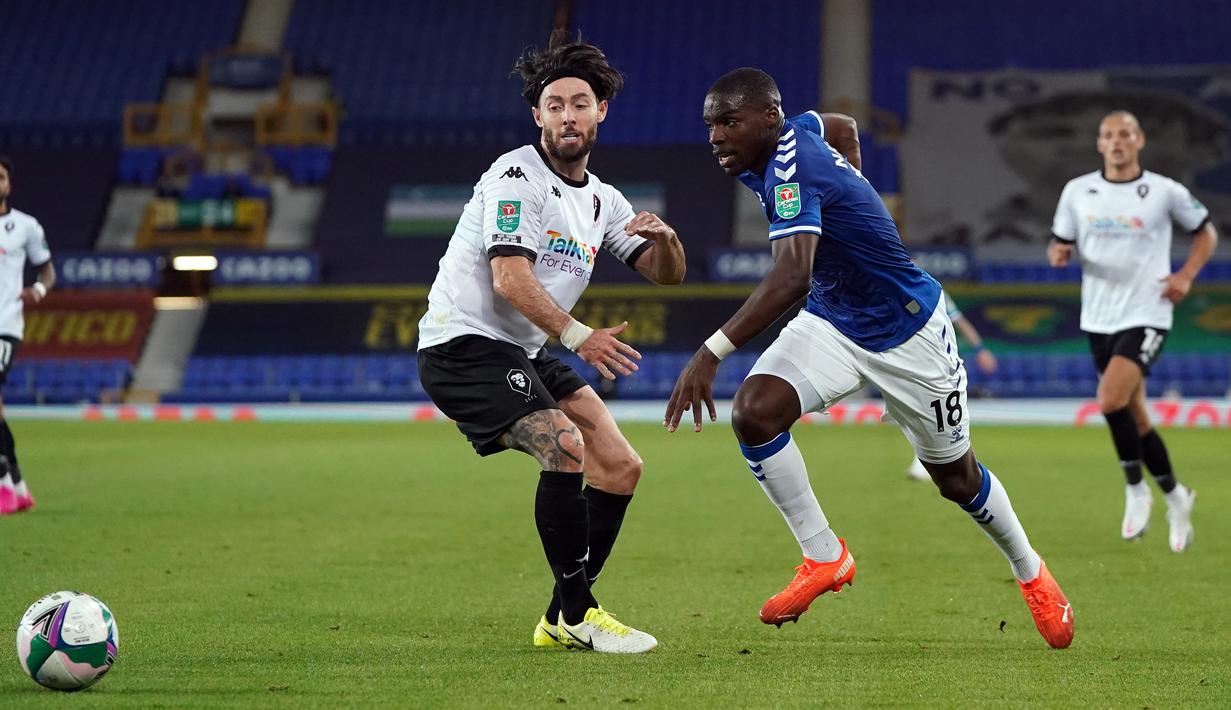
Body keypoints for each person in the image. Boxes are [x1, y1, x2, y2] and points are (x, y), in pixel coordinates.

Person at [664, 68, 1073, 649]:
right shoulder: (794, 132)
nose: (716, 137)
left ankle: (1031, 570)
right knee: (754, 412)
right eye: (711, 124)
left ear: (767, 119)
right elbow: (843, 124)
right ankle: (824, 556)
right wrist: (854, 178)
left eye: (729, 122)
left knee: (955, 480)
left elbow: (791, 277)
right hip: (835, 321)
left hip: (907, 330)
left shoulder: (790, 169)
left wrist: (710, 352)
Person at [416, 32, 685, 654]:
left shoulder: (603, 200)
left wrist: (667, 239)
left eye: (580, 103)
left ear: (601, 112)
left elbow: (665, 272)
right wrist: (580, 336)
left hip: (527, 351)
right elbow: (509, 278)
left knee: (620, 466)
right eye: (555, 105)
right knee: (564, 445)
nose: (568, 115)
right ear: (538, 116)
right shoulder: (516, 176)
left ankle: (558, 616)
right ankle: (580, 615)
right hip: (463, 345)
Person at [1047, 110, 1215, 553]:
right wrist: (1059, 252)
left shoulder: (1163, 192)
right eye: (1108, 135)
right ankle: (1178, 497)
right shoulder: (1077, 191)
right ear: (1099, 144)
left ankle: (1135, 489)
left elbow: (1206, 233)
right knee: (1136, 417)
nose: (1116, 141)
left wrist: (1186, 276)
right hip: (1098, 316)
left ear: (1139, 140)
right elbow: (1059, 240)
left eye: (1125, 134)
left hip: (1148, 312)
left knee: (1109, 399)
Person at [0, 156, 55, 515]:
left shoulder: (25, 227)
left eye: (0, 177)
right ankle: (18, 485)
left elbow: (48, 270)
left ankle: (5, 484)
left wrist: (38, 290)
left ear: (9, 184)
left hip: (4, 325)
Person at [906, 290, 998, 480]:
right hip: (909, 358)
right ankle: (931, 461)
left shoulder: (930, 289)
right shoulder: (889, 283)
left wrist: (980, 349)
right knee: (918, 412)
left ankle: (947, 461)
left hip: (936, 361)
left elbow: (960, 321)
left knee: (935, 412)